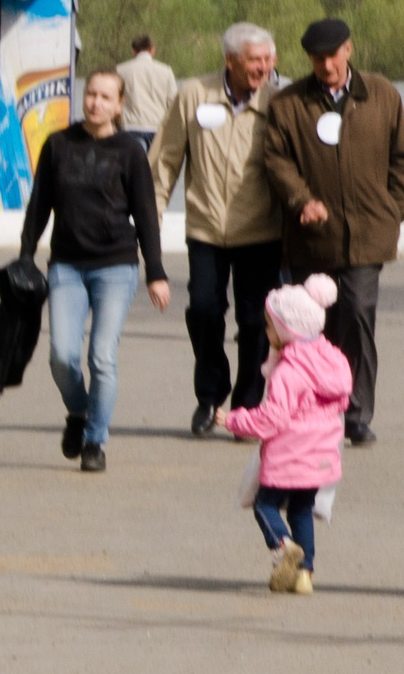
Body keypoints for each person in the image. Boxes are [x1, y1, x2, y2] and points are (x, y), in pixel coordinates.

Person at [260, 17, 404, 446]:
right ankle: (314, 406)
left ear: (348, 50)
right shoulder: (289, 104)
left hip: (368, 235)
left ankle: (356, 414)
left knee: (358, 313)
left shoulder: (381, 94)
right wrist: (301, 200)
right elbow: (276, 161)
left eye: (332, 56)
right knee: (313, 325)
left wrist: (395, 207)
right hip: (313, 239)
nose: (326, 65)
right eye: (316, 58)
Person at [18, 69, 170, 472]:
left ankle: (94, 441)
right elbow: (39, 206)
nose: (96, 103)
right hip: (67, 265)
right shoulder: (58, 145)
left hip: (115, 267)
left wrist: (155, 271)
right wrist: (25, 254)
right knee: (62, 356)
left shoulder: (130, 151)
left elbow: (146, 215)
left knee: (102, 357)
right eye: (91, 95)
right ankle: (79, 411)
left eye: (106, 97)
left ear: (120, 105)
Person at [149, 23, 284, 438]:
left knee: (255, 321)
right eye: (254, 61)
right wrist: (149, 217)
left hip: (261, 230)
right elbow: (165, 160)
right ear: (230, 61)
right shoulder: (194, 94)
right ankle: (210, 396)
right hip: (206, 227)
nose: (263, 68)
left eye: (268, 60)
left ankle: (246, 406)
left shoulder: (279, 101)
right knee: (204, 310)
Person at [223, 275, 352, 594]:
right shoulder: (333, 360)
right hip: (321, 453)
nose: (267, 332)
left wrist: (234, 420)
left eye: (270, 326)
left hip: (289, 453)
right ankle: (304, 573)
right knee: (301, 509)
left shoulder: (289, 371)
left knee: (265, 505)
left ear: (286, 331)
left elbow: (273, 418)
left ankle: (283, 546)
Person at [112, 34, 179, 145]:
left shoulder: (120, 70)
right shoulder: (166, 71)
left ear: (133, 50)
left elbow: (114, 100)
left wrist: (115, 125)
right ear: (152, 50)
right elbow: (173, 102)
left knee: (134, 162)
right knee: (153, 162)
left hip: (129, 127)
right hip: (157, 127)